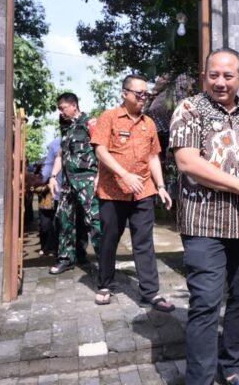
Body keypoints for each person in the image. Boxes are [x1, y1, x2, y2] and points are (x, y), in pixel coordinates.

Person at [169, 48, 239, 385]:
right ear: (204, 76)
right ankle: (200, 379)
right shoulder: (189, 109)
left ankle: (231, 367)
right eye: (213, 75)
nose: (220, 82)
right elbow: (188, 162)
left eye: (228, 76)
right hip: (204, 223)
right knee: (205, 303)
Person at [91, 74, 175, 311]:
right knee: (109, 239)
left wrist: (160, 187)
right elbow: (100, 151)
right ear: (124, 93)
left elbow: (152, 157)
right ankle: (105, 284)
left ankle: (150, 292)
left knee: (144, 242)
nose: (143, 98)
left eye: (146, 94)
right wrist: (124, 175)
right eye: (139, 94)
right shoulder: (109, 117)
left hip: (143, 191)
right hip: (112, 191)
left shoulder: (148, 123)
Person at [47, 93, 102, 274]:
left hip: (87, 181)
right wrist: (53, 177)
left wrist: (99, 178)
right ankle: (66, 259)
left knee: (94, 222)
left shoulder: (90, 123)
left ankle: (105, 262)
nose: (61, 112)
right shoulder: (66, 128)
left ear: (73, 105)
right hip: (68, 183)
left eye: (63, 108)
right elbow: (61, 155)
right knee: (64, 220)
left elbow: (102, 152)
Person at [38, 137, 63, 256]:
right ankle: (59, 251)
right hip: (59, 192)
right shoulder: (55, 144)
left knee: (81, 225)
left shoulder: (88, 137)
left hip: (81, 191)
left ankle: (81, 255)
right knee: (58, 224)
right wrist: (38, 181)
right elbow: (48, 165)